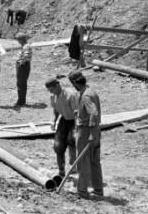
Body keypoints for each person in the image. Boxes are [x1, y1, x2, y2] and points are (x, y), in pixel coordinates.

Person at [68, 70, 104, 199]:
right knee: (95, 161)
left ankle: (82, 191)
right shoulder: (91, 91)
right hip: (96, 131)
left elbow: (93, 112)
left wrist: (90, 133)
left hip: (86, 131)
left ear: (75, 83)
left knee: (83, 162)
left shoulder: (86, 96)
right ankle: (98, 189)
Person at [45, 76, 78, 177]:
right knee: (58, 146)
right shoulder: (53, 96)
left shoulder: (70, 95)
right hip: (64, 120)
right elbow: (56, 110)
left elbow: (77, 113)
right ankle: (61, 170)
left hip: (73, 120)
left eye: (52, 89)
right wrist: (54, 121)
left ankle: (73, 165)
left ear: (57, 85)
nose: (51, 92)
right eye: (49, 90)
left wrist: (77, 128)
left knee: (72, 140)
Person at [14, 34, 32, 107]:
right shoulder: (25, 46)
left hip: (23, 66)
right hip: (24, 65)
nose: (18, 41)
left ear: (22, 39)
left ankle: (21, 101)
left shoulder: (26, 46)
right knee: (21, 83)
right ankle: (21, 100)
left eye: (18, 39)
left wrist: (21, 62)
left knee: (21, 84)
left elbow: (26, 55)